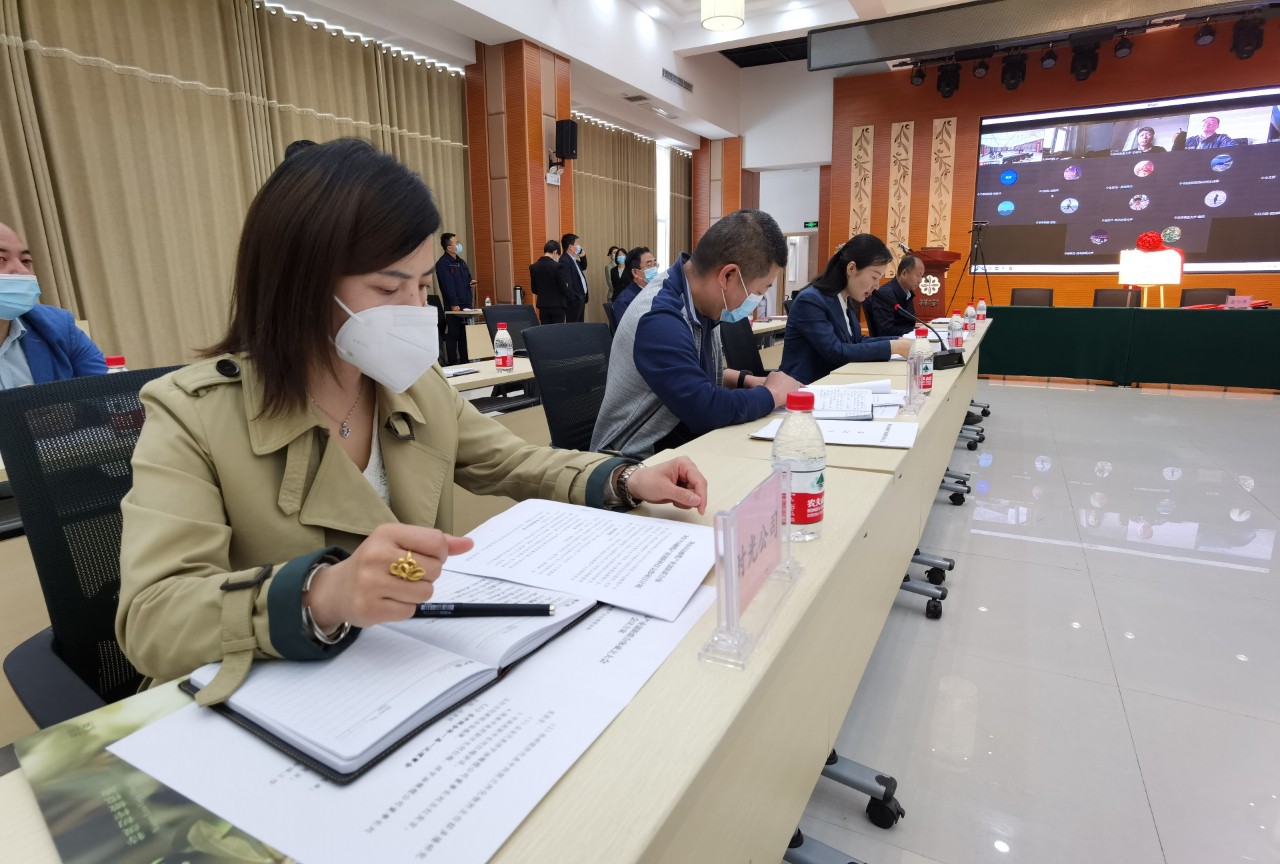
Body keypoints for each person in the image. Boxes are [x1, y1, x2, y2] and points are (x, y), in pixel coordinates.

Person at [115, 139, 707, 690]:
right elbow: (151, 618)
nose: (413, 310)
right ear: (298, 284)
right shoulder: (192, 415)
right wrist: (320, 594)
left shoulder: (412, 385)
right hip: (274, 700)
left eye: (423, 287)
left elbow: (513, 461)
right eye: (387, 289)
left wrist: (625, 476)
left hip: (402, 674)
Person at [592, 209, 803, 459]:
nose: (756, 300)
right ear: (728, 275)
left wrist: (746, 380)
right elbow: (704, 410)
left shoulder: (697, 300)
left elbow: (689, 373)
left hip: (679, 439)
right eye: (759, 291)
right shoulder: (660, 318)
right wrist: (772, 394)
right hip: (634, 459)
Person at [780, 234, 915, 385]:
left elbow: (856, 340)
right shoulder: (811, 300)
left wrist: (897, 341)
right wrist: (893, 347)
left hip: (835, 381)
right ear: (851, 268)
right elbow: (835, 352)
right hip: (804, 388)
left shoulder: (844, 298)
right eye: (874, 277)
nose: (877, 286)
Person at [0, 221, 106, 388]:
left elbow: (110, 392)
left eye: (26, 260)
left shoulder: (58, 327)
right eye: (1, 259)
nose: (22, 270)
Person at [435, 233, 475, 365]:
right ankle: (452, 362)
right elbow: (448, 285)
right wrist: (453, 303)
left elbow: (467, 277)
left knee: (464, 334)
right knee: (453, 333)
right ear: (449, 248)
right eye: (456, 243)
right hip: (454, 305)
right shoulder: (443, 263)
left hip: (466, 303)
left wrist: (471, 282)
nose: (459, 245)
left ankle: (465, 361)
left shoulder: (461, 262)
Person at [864, 252, 924, 338]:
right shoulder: (885, 294)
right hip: (890, 344)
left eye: (922, 276)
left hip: (905, 341)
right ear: (904, 273)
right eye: (918, 275)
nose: (920, 280)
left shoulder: (908, 293)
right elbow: (886, 331)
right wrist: (915, 332)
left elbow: (908, 324)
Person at [612, 246, 658, 323]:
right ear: (635, 272)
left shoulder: (658, 291)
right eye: (649, 265)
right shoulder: (624, 301)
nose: (654, 269)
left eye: (655, 265)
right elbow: (626, 329)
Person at [529, 240, 570, 324]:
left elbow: (534, 289)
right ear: (555, 252)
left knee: (546, 330)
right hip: (558, 305)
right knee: (557, 330)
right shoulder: (557, 266)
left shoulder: (533, 267)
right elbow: (564, 289)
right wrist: (566, 285)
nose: (558, 258)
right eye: (558, 255)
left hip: (543, 306)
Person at [558, 233, 588, 322]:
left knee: (580, 326)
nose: (579, 246)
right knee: (574, 326)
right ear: (571, 247)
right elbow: (568, 283)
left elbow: (583, 267)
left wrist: (583, 256)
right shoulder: (564, 260)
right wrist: (574, 299)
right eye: (576, 243)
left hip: (580, 298)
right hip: (574, 301)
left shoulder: (573, 259)